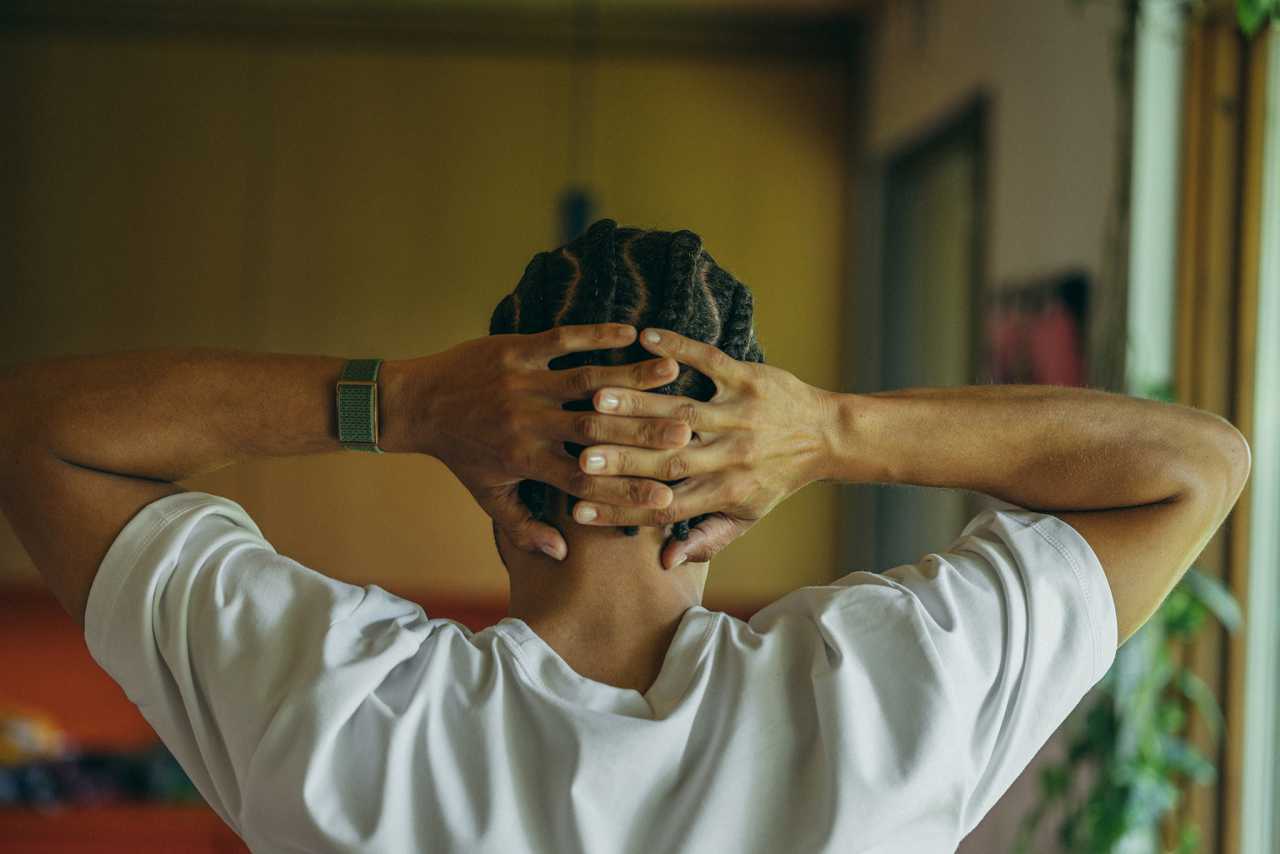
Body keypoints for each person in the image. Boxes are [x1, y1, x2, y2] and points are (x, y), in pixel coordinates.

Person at [0, 219, 1250, 853]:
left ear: (490, 460)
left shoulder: (333, 711)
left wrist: (408, 402)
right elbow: (1194, 467)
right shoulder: (887, 698)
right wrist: (830, 429)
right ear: (740, 471)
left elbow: (40, 432)